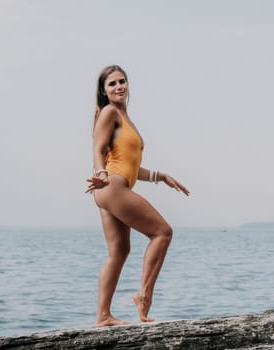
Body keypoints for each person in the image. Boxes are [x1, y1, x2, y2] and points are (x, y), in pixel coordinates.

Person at [86, 65, 189, 327]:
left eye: (122, 81)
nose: (119, 86)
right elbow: (98, 150)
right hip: (112, 186)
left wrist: (160, 176)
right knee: (162, 232)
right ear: (104, 91)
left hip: (111, 188)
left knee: (119, 252)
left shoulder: (125, 117)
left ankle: (103, 316)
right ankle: (144, 296)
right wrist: (101, 172)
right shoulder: (109, 113)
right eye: (112, 84)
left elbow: (129, 165)